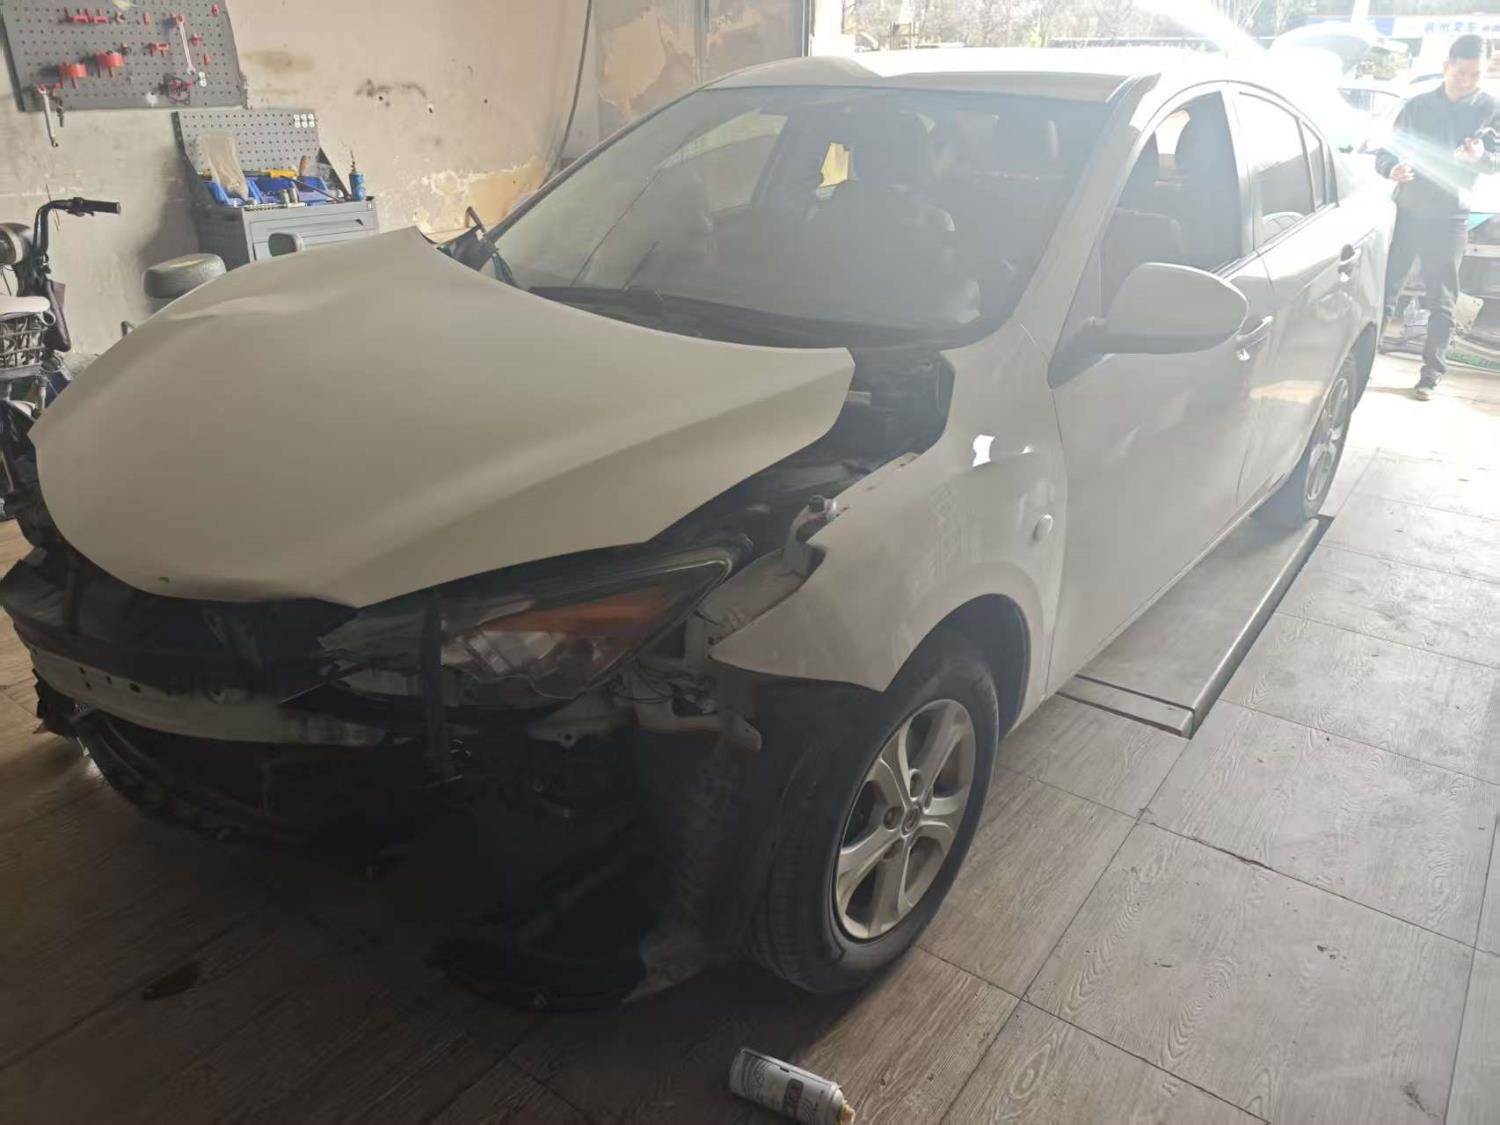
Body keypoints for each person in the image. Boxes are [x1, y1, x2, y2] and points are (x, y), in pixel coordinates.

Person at [1377, 33, 1500, 400]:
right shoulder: (1417, 106)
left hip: (1451, 216)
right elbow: (1387, 150)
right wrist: (1391, 169)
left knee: (1442, 299)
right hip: (1408, 209)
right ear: (1446, 66)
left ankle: (1431, 374)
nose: (1468, 81)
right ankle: (1365, 360)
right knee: (1386, 291)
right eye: (1461, 73)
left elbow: (1495, 160)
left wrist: (1479, 157)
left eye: (1476, 74)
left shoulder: (1489, 109)